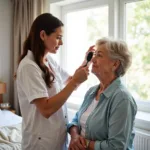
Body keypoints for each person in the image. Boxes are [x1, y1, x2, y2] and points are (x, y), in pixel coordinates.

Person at [16, 13, 90, 150]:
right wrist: (74, 82)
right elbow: (46, 109)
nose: (61, 43)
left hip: (57, 139)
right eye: (58, 37)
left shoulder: (49, 60)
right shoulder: (28, 67)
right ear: (43, 35)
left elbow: (70, 82)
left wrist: (86, 62)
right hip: (40, 143)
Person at [68, 37, 137, 150]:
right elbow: (75, 119)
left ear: (115, 64)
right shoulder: (91, 91)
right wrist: (75, 137)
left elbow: (116, 147)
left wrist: (85, 143)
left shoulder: (122, 99)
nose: (93, 59)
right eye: (94, 54)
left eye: (99, 55)